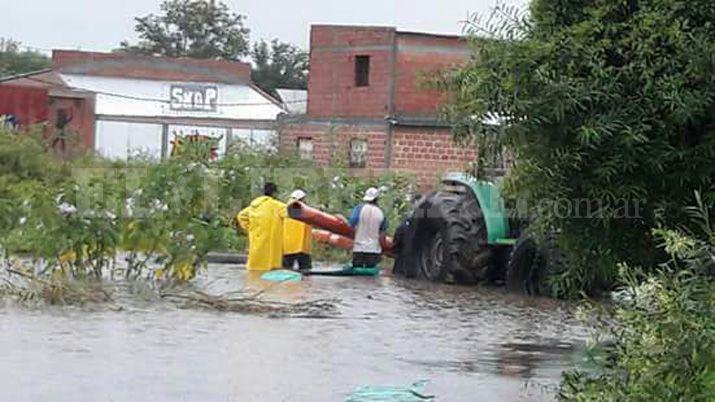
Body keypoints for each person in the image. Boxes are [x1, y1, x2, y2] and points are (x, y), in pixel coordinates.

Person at [236, 182, 286, 271]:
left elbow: (241, 215)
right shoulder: (278, 206)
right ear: (274, 193)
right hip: (271, 241)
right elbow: (292, 214)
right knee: (270, 267)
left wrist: (249, 228)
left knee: (255, 267)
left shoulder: (254, 205)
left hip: (256, 237)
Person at [348, 187, 388, 268]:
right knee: (370, 278)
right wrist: (383, 250)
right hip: (374, 250)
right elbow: (382, 235)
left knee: (357, 276)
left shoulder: (359, 209)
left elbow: (351, 224)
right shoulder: (381, 213)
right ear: (377, 199)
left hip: (359, 249)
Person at [283, 189, 313, 271]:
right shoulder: (304, 210)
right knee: (306, 271)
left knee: (286, 271)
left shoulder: (284, 209)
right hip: (302, 247)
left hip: (288, 247)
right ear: (301, 198)